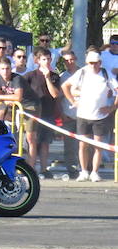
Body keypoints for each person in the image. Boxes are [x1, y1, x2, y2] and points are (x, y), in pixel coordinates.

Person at [61, 49, 118, 183]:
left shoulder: (105, 73)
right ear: (87, 62)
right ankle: (84, 171)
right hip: (83, 115)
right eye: (91, 63)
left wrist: (111, 107)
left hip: (100, 116)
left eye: (96, 63)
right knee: (83, 145)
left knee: (98, 146)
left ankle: (95, 172)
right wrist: (73, 101)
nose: (93, 66)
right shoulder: (82, 72)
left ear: (100, 62)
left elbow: (116, 90)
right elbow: (65, 86)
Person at [22, 47, 62, 178]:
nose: (47, 61)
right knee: (32, 142)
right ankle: (30, 169)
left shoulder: (54, 76)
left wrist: (47, 77)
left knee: (45, 143)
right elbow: (21, 92)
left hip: (48, 113)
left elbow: (55, 94)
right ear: (37, 60)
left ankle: (44, 169)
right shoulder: (30, 76)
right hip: (33, 114)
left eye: (49, 59)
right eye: (44, 59)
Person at [57, 50, 80, 178]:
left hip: (83, 114)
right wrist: (61, 114)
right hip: (68, 114)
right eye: (66, 60)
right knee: (69, 145)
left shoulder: (83, 73)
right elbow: (59, 98)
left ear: (75, 58)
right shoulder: (63, 76)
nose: (69, 62)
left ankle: (86, 169)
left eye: (71, 59)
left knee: (84, 145)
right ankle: (72, 170)